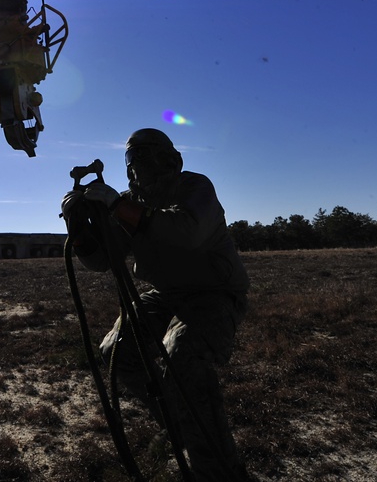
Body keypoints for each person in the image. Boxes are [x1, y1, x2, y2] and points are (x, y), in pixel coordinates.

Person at [61, 128, 250, 481]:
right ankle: (180, 426)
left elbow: (186, 232)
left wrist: (118, 206)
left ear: (172, 159)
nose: (139, 167)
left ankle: (220, 470)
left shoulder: (194, 188)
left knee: (183, 356)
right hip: (168, 292)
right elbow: (105, 259)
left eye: (146, 156)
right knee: (116, 351)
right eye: (132, 160)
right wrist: (81, 228)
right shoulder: (130, 201)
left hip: (215, 292)